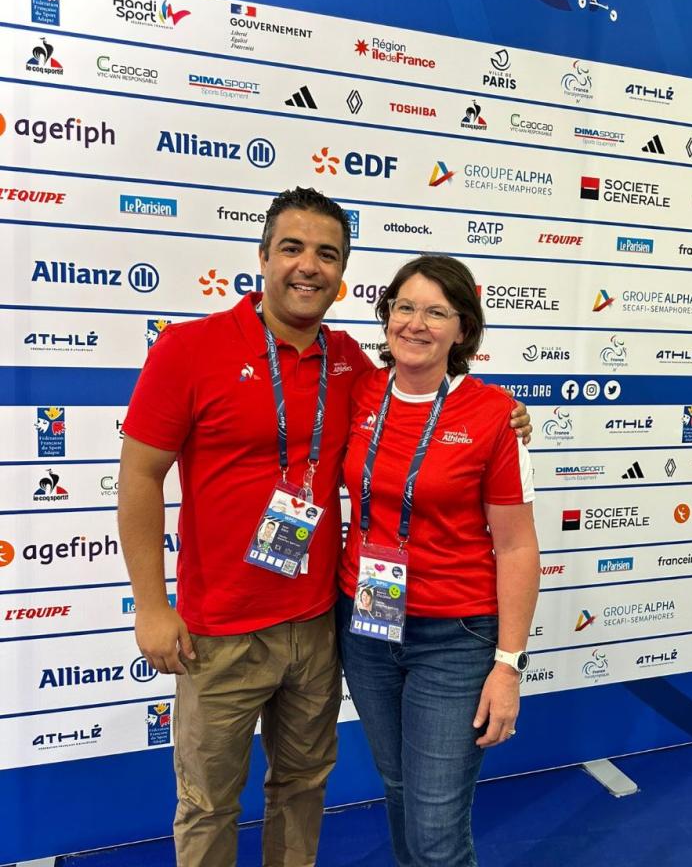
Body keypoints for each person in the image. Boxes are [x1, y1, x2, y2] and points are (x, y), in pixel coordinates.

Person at [117, 187, 532, 867]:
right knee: (209, 802)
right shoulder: (190, 348)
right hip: (218, 630)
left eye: (327, 254)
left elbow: (425, 398)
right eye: (292, 248)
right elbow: (139, 477)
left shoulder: (352, 365)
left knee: (303, 788)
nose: (308, 266)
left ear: (342, 275)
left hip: (320, 624)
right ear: (262, 257)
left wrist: (507, 417)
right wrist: (152, 605)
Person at [337, 254, 540, 867]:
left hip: (454, 636)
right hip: (367, 623)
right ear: (386, 315)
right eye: (404, 307)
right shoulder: (360, 389)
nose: (416, 324)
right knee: (398, 789)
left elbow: (517, 545)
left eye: (436, 312)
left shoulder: (491, 415)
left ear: (462, 331)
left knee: (435, 827)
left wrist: (508, 665)